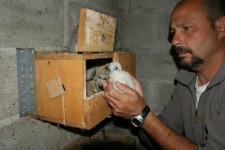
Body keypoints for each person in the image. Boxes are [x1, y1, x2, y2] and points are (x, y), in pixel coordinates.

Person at [103, 0, 225, 149]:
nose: (174, 41)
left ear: (221, 27)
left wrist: (142, 114)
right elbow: (161, 135)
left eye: (186, 28)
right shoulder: (186, 80)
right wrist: (137, 109)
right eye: (173, 32)